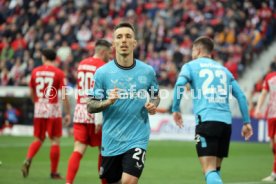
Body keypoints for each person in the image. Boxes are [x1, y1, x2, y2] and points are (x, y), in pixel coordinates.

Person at [172, 36, 253, 184]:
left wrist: (175, 108)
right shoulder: (224, 70)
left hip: (207, 123)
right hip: (225, 125)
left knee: (208, 170)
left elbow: (179, 86)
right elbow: (241, 96)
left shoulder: (190, 66)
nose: (191, 54)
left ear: (197, 50)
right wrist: (246, 122)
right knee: (215, 170)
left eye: (192, 50)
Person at [87, 22, 160, 184]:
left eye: (128, 37)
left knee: (129, 181)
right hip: (111, 140)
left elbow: (155, 95)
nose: (124, 40)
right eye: (119, 37)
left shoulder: (147, 71)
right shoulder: (102, 73)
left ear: (134, 43)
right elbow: (90, 105)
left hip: (137, 138)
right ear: (114, 44)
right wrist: (108, 101)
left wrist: (153, 104)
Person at [66, 39, 112, 184]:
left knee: (78, 149)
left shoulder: (82, 63)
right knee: (103, 151)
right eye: (109, 54)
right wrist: (99, 118)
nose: (110, 57)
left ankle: (68, 182)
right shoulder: (104, 67)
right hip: (95, 111)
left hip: (80, 110)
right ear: (103, 51)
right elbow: (100, 92)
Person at [21, 49, 71, 179]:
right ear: (55, 59)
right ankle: (54, 172)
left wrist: (36, 102)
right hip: (53, 107)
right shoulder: (59, 73)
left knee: (38, 138)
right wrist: (67, 112)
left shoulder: (35, 71)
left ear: (43, 58)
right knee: (55, 140)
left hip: (39, 106)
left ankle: (28, 158)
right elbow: (64, 94)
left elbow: (31, 90)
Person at [255, 62, 276, 182]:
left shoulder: (269, 77)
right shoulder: (269, 77)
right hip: (271, 114)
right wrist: (258, 109)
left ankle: (274, 174)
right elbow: (263, 94)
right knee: (273, 146)